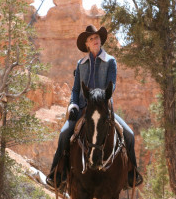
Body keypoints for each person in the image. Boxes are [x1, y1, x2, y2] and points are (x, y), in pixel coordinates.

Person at [46, 25, 143, 188]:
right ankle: (57, 173)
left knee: (129, 134)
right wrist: (73, 106)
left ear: (100, 40)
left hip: (103, 109)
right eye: (91, 39)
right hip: (83, 109)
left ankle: (131, 174)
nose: (95, 40)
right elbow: (76, 89)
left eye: (96, 37)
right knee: (64, 135)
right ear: (87, 45)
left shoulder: (110, 61)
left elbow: (112, 85)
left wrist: (101, 97)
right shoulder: (81, 64)